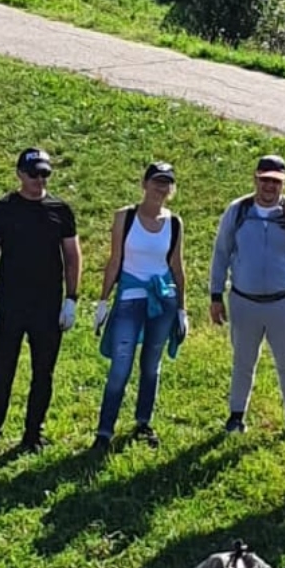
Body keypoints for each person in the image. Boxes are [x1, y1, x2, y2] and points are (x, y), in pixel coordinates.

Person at [0, 147, 81, 458]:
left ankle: (33, 434)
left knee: (43, 373)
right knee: (0, 374)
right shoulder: (2, 208)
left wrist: (71, 299)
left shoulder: (60, 210)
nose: (39, 180)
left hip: (47, 305)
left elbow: (73, 257)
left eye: (44, 174)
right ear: (20, 174)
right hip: (9, 303)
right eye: (33, 174)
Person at [209, 152, 285, 436]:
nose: (270, 187)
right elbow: (221, 253)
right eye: (264, 180)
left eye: (276, 182)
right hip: (244, 300)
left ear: (284, 183)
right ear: (255, 179)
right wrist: (215, 294)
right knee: (243, 361)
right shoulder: (239, 210)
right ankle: (236, 417)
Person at [93, 162, 185, 449]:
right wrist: (104, 300)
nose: (160, 188)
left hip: (162, 300)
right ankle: (104, 431)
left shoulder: (174, 223)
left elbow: (177, 266)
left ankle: (143, 422)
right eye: (156, 181)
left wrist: (182, 308)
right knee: (121, 366)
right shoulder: (125, 217)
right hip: (130, 298)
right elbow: (115, 260)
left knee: (151, 365)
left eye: (166, 183)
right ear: (144, 184)